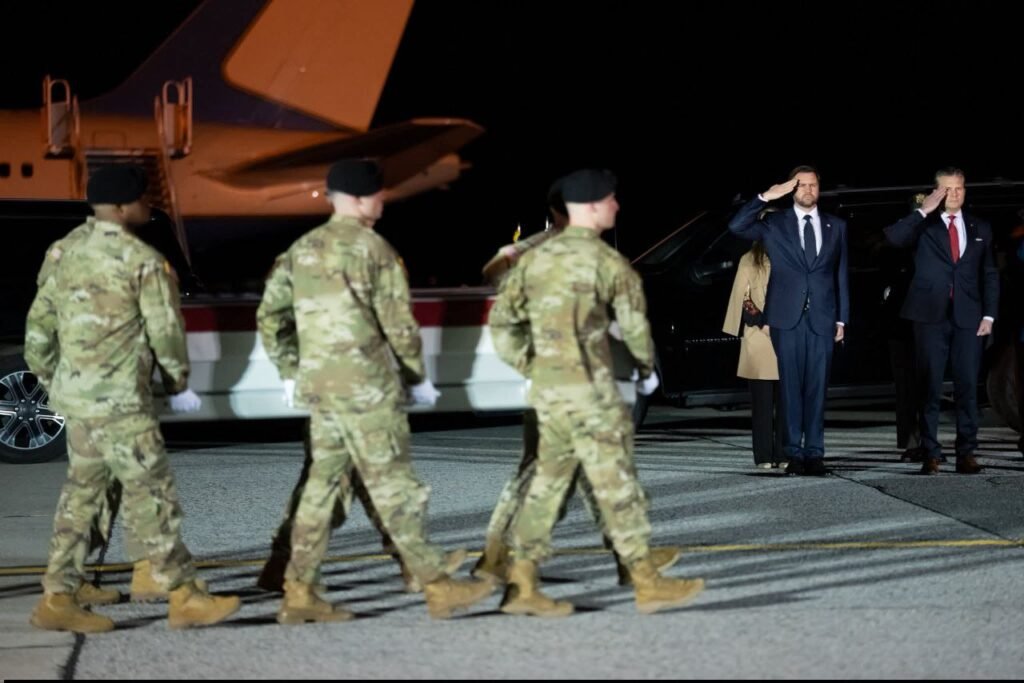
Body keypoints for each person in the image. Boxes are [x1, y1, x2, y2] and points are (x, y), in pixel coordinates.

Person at [256, 158, 494, 624]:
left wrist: (291, 369)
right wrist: (417, 376)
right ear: (362, 198)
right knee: (394, 485)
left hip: (322, 389)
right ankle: (436, 583)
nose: (383, 200)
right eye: (379, 193)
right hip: (367, 387)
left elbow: (270, 316)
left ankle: (298, 591)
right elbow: (398, 323)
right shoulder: (374, 249)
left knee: (323, 489)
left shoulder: (301, 249)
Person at [25, 164, 240, 633]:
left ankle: (60, 595)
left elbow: (39, 325)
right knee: (153, 492)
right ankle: (182, 595)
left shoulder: (64, 250)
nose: (148, 206)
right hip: (122, 400)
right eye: (143, 199)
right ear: (124, 207)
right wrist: (179, 384)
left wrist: (53, 379)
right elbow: (166, 331)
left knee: (82, 495)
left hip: (78, 398)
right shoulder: (141, 259)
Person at [489, 168, 704, 617]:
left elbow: (502, 324)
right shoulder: (608, 263)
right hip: (592, 392)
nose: (616, 206)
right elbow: (635, 327)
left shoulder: (533, 259)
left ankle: (521, 582)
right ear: (588, 207)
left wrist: (532, 365)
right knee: (615, 482)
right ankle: (643, 579)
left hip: (549, 391)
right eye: (609, 199)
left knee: (546, 486)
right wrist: (645, 370)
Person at [727, 166, 849, 476]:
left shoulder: (836, 225)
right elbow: (736, 226)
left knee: (817, 389)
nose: (808, 190)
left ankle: (815, 453)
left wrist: (842, 318)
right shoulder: (775, 223)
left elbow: (840, 275)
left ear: (819, 188)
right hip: (786, 317)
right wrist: (765, 197)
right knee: (790, 389)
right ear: (792, 190)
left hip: (823, 318)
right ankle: (794, 453)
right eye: (801, 185)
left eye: (813, 184)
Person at [884, 168, 999, 475]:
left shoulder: (980, 227)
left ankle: (967, 452)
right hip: (929, 316)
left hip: (969, 317)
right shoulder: (924, 224)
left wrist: (989, 315)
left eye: (959, 188)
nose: (954, 194)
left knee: (967, 386)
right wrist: (923, 211)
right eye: (947, 189)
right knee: (929, 386)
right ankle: (930, 451)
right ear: (936, 192)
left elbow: (988, 272)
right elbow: (893, 238)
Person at [722, 237, 785, 469]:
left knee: (787, 402)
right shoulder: (748, 259)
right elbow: (743, 297)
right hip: (759, 337)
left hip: (787, 334)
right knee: (762, 403)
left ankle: (785, 453)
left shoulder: (790, 255)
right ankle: (764, 455)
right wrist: (762, 322)